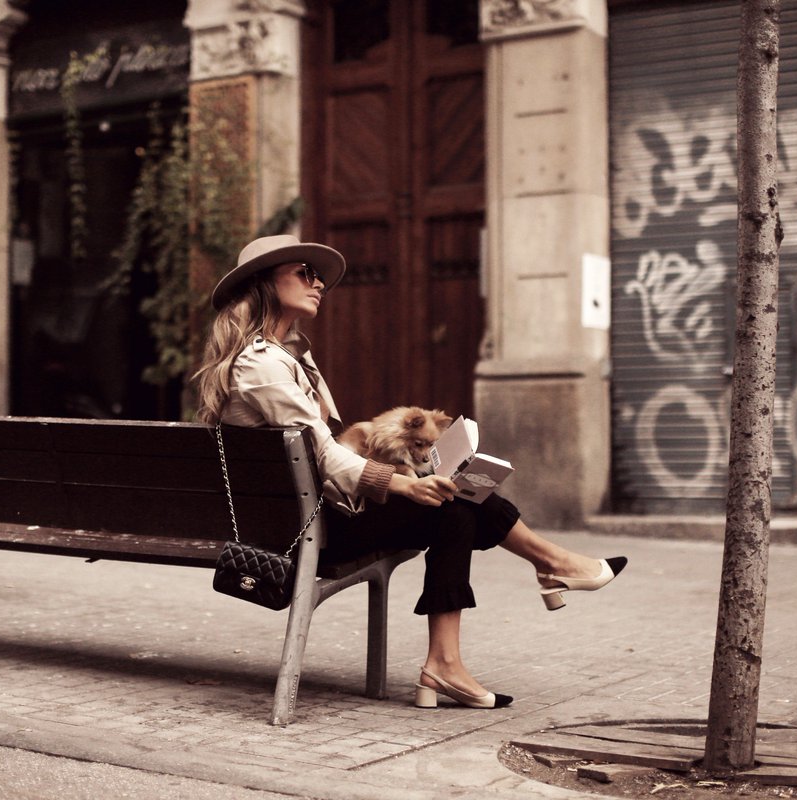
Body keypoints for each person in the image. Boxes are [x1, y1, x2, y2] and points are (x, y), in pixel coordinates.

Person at [193, 234, 626, 710]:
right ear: (264, 283)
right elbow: (321, 455)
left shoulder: (285, 355)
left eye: (318, 276)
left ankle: (468, 642)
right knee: (452, 508)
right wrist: (402, 484)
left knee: (454, 506)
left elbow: (313, 451)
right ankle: (544, 572)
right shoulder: (261, 365)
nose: (318, 284)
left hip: (306, 514)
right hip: (303, 530)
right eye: (305, 273)